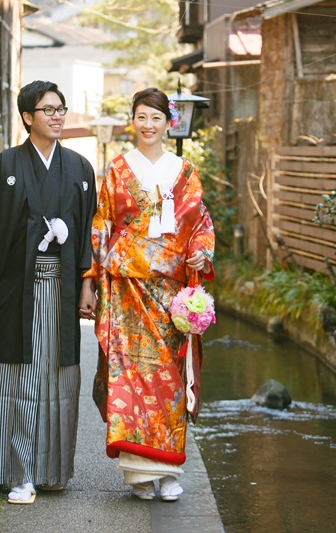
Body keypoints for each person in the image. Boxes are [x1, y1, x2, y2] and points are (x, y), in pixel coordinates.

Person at [0, 80, 97, 504]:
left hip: (64, 287)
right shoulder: (6, 166)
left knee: (59, 376)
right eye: (47, 109)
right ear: (28, 117)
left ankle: (51, 470)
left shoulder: (80, 169)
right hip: (18, 289)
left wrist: (88, 284)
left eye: (61, 109)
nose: (57, 116)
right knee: (20, 376)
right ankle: (19, 472)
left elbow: (88, 233)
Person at [79, 87, 215, 502]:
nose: (149, 125)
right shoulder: (118, 169)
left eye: (156, 117)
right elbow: (101, 224)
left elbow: (200, 223)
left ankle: (170, 469)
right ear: (132, 121)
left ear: (168, 122)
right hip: (126, 286)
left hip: (170, 289)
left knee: (169, 378)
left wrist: (199, 253)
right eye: (141, 116)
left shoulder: (185, 171)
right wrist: (90, 279)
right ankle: (139, 474)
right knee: (130, 373)